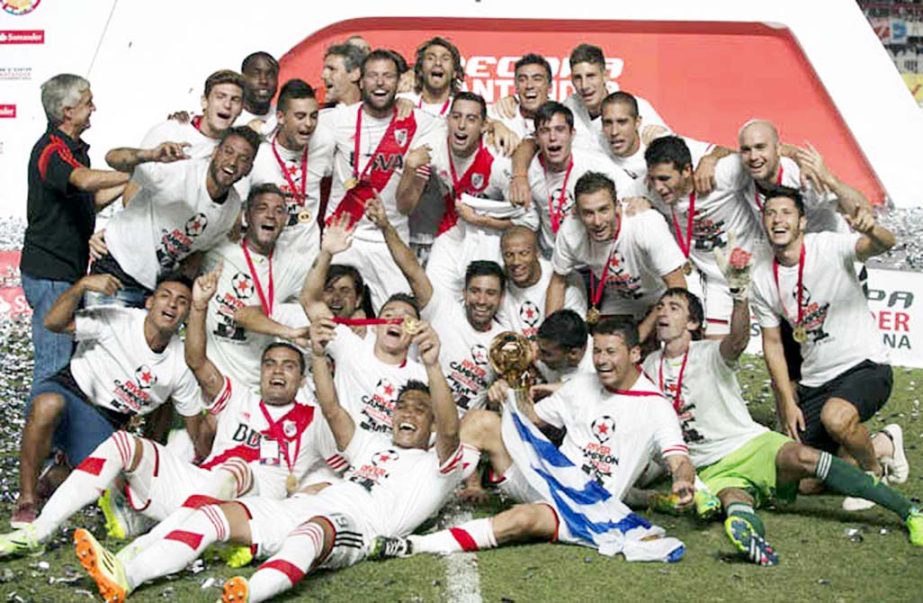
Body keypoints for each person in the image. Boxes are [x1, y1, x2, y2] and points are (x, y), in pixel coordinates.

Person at [71, 319, 468, 603]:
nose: (408, 414)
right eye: (403, 408)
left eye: (420, 410)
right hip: (300, 506)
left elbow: (451, 430)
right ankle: (126, 575)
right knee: (213, 517)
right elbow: (330, 409)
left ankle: (251, 593)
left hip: (357, 528)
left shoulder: (439, 465)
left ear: (432, 422)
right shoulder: (372, 445)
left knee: (312, 532)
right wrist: (315, 354)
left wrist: (432, 366)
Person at [642, 281, 921, 565]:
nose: (663, 312)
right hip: (707, 466)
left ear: (692, 323)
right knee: (734, 499)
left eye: (674, 308)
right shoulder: (650, 366)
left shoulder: (710, 353)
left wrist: (740, 295)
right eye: (660, 307)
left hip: (750, 443)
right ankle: (751, 536)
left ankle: (909, 511)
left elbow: (738, 340)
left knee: (803, 457)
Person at [369, 319, 694, 560]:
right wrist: (510, 393)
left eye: (611, 351)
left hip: (587, 508)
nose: (601, 360)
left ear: (635, 353)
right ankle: (413, 495)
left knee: (521, 520)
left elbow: (679, 459)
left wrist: (682, 482)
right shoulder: (583, 385)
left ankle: (412, 544)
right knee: (481, 421)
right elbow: (532, 419)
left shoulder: (655, 406)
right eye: (597, 352)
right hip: (547, 476)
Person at [750, 186, 908, 508]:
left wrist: (871, 230)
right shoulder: (762, 275)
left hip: (864, 365)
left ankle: (871, 475)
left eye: (786, 213)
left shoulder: (828, 247)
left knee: (836, 417)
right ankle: (883, 443)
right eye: (770, 213)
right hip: (815, 380)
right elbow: (773, 344)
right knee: (806, 481)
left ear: (802, 222)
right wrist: (787, 402)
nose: (778, 220)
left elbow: (883, 244)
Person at [10, 272, 204, 527]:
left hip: (105, 420)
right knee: (47, 405)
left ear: (188, 314)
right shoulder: (119, 320)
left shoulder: (181, 363)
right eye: (165, 296)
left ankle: (58, 472)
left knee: (117, 488)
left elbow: (194, 428)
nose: (171, 304)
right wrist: (80, 286)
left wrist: (207, 466)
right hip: (69, 391)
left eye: (181, 301)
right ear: (149, 302)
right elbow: (53, 323)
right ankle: (27, 500)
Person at [21, 73, 130, 404]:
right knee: (53, 368)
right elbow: (83, 181)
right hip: (50, 275)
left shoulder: (74, 151)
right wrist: (134, 171)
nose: (93, 108)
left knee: (65, 368)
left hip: (65, 273)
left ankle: (57, 451)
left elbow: (90, 200)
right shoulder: (51, 150)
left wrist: (133, 184)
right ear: (67, 111)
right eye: (87, 102)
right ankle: (45, 454)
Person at [318, 48, 444, 309]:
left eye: (387, 76)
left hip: (390, 239)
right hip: (343, 237)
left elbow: (463, 129)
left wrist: (495, 126)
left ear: (400, 82)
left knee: (399, 317)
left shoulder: (422, 123)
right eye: (373, 76)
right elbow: (290, 122)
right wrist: (260, 126)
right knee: (333, 320)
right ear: (360, 81)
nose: (379, 83)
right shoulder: (337, 119)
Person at [368, 196, 506, 415]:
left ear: (501, 298)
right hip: (419, 413)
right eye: (475, 291)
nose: (481, 300)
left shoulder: (504, 341)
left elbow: (503, 394)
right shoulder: (443, 309)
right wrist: (385, 226)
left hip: (464, 430)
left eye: (490, 293)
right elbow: (412, 270)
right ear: (464, 292)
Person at [94, 126, 260, 305]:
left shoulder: (232, 207)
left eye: (243, 159)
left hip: (153, 290)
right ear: (214, 152)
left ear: (249, 169)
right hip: (115, 269)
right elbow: (113, 158)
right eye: (228, 152)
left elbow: (197, 252)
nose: (232, 162)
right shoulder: (179, 171)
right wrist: (150, 154)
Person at [300, 214, 428, 434]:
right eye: (388, 314)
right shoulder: (350, 346)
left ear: (415, 330)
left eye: (405, 317)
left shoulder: (423, 377)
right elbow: (310, 301)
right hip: (346, 448)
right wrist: (327, 253)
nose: (396, 320)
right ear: (375, 325)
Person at [401, 92, 534, 298]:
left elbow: (528, 222)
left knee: (486, 304)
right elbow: (404, 206)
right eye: (456, 117)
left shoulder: (499, 159)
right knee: (434, 300)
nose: (461, 125)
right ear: (448, 120)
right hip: (451, 233)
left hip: (491, 238)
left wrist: (480, 220)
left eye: (471, 119)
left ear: (484, 126)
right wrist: (410, 168)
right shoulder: (431, 146)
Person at [645, 136, 761, 338]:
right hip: (717, 283)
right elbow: (614, 202)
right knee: (716, 353)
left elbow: (759, 154)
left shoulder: (719, 175)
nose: (658, 187)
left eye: (664, 179)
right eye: (653, 179)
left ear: (687, 170)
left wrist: (712, 157)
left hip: (757, 270)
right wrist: (638, 203)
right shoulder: (651, 191)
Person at [548, 172, 686, 340]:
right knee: (605, 347)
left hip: (662, 293)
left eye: (604, 210)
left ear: (617, 206)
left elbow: (677, 286)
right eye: (588, 213)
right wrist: (549, 334)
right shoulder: (570, 231)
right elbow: (557, 282)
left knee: (670, 341)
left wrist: (641, 333)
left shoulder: (645, 223)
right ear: (576, 212)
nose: (597, 222)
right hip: (620, 297)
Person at [200, 183, 307, 388]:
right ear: (246, 216)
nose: (270, 216)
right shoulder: (217, 250)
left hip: (255, 385)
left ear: (285, 220)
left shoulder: (294, 264)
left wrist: (356, 315)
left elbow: (317, 300)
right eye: (262, 208)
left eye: (279, 211)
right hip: (210, 375)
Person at [523, 102, 644, 254]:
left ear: (572, 134)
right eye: (545, 131)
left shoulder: (594, 163)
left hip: (591, 261)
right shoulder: (528, 172)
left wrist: (644, 202)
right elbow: (527, 220)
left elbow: (633, 191)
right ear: (536, 137)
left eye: (560, 130)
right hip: (552, 257)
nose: (552, 137)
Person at [245, 79, 334, 276]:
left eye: (313, 116)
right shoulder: (259, 155)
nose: (308, 124)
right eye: (300, 116)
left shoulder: (324, 142)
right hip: (266, 260)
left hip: (308, 261)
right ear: (281, 117)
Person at [496, 226, 586, 340]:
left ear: (537, 253)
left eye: (524, 253)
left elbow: (575, 333)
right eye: (508, 255)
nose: (516, 261)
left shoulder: (564, 278)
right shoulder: (499, 285)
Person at [488, 53, 553, 139]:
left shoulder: (563, 117)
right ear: (516, 86)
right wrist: (493, 125)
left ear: (550, 86)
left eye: (537, 79)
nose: (529, 85)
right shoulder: (501, 115)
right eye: (522, 80)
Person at [400, 36, 464, 117]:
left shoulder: (463, 110)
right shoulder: (404, 103)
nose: (438, 63)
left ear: (455, 72)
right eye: (430, 58)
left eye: (445, 59)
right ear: (420, 70)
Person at [236, 51, 280, 135]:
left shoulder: (283, 119)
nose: (264, 81)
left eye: (270, 74)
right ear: (242, 78)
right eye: (256, 74)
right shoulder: (227, 118)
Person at [321, 43, 364, 107]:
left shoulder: (377, 113)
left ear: (355, 74)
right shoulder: (320, 114)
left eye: (332, 69)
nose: (323, 76)